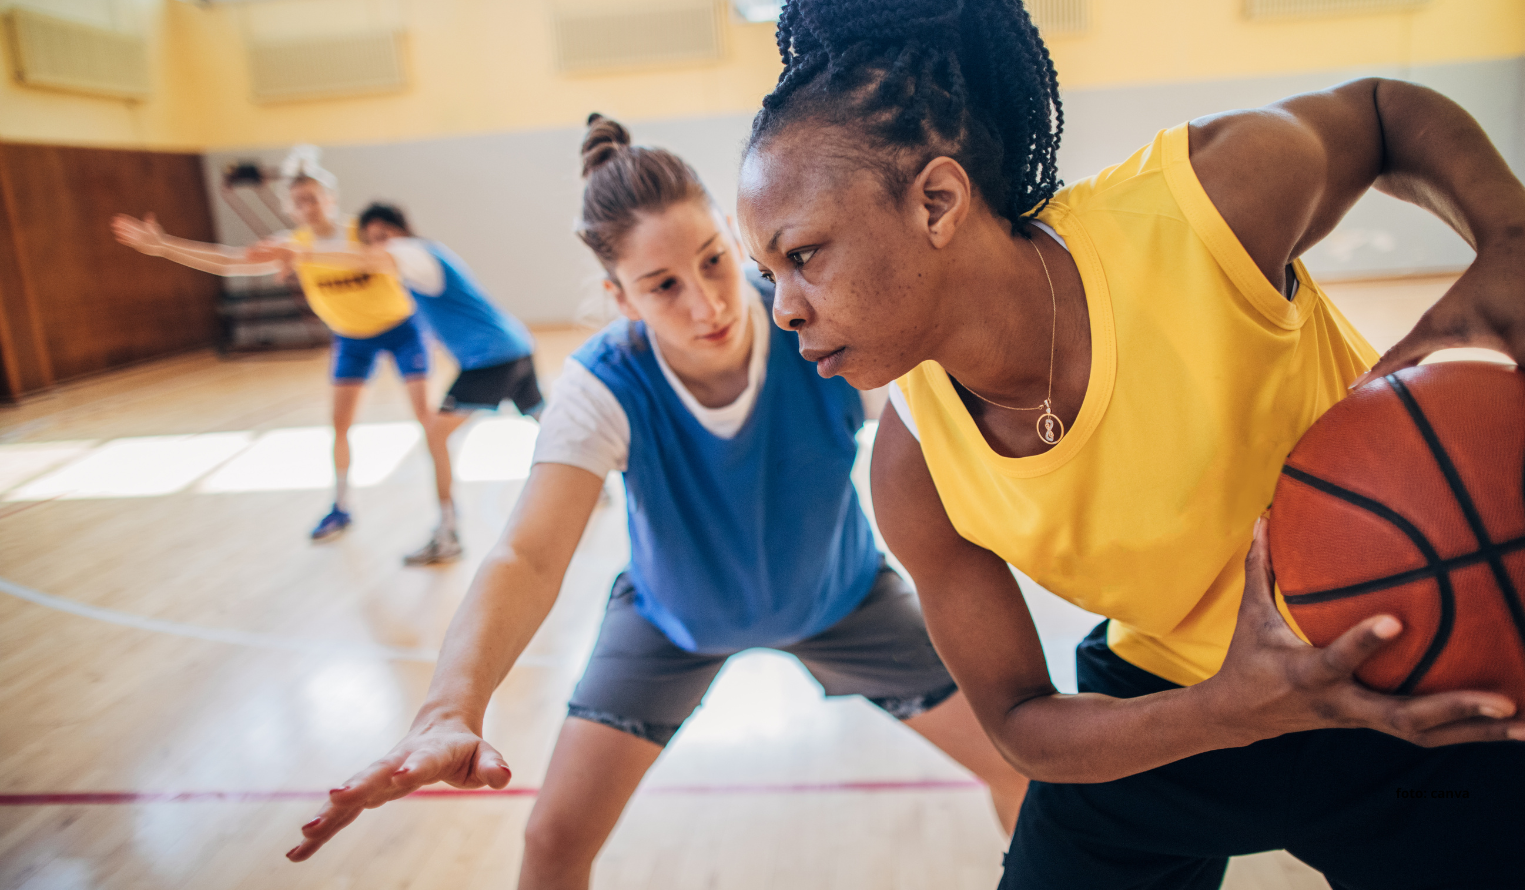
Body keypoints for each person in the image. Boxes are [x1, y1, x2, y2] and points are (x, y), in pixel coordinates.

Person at [735, 2, 1525, 888]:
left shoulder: (1199, 215)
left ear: (937, 202)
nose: (784, 307)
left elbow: (1380, 115)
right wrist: (1229, 711)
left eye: (804, 254)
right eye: (770, 275)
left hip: (1424, 672)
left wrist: (1522, 235)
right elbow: (1023, 725)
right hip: (1173, 709)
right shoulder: (911, 470)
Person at [282, 115, 1027, 887]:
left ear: (736, 243)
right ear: (620, 297)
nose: (707, 304)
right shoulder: (603, 384)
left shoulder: (818, 323)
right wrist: (450, 706)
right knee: (552, 841)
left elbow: (954, 426)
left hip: (845, 601)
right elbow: (528, 554)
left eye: (713, 261)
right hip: (671, 621)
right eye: (663, 285)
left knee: (1024, 769)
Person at [111, 146, 435, 545]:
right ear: (290, 209)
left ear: (330, 199)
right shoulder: (291, 245)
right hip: (352, 338)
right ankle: (341, 505)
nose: (308, 206)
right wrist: (165, 248)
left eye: (313, 197)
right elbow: (231, 261)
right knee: (340, 425)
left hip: (401, 328)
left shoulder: (360, 233)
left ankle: (444, 507)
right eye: (299, 202)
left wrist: (307, 254)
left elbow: (389, 257)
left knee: (426, 417)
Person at [342, 202, 543, 564]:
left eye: (383, 237)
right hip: (515, 346)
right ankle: (598, 486)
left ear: (401, 232)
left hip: (492, 358)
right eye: (371, 241)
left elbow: (372, 261)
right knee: (543, 418)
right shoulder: (421, 262)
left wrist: (299, 254)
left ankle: (447, 533)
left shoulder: (413, 254)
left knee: (436, 433)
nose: (379, 247)